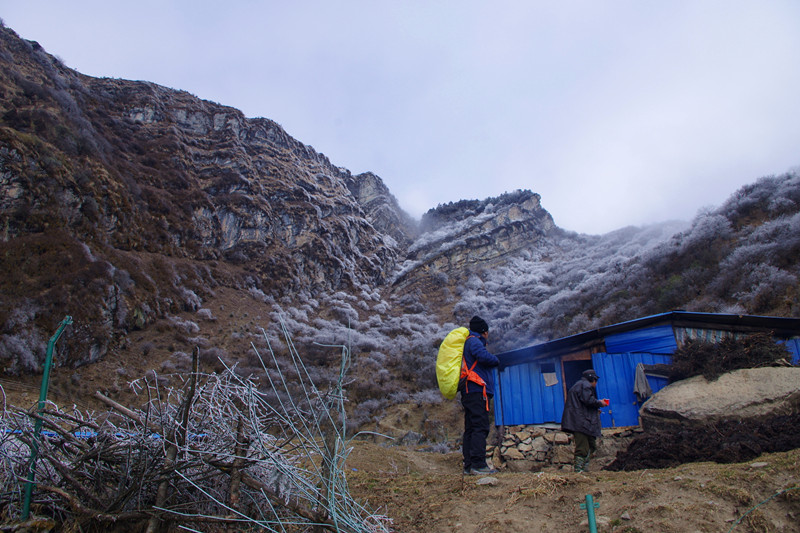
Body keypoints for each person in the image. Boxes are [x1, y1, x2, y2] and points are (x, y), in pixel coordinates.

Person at [459, 316, 499, 475]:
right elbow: (483, 357)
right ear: (484, 331)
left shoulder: (467, 342)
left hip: (469, 391)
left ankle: (469, 465)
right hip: (477, 390)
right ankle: (478, 464)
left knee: (470, 427)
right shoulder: (474, 341)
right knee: (480, 426)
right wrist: (496, 359)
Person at [560, 369, 609, 472]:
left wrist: (595, 410)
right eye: (596, 381)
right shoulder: (585, 385)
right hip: (581, 423)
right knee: (583, 448)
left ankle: (584, 469)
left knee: (591, 445)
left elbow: (583, 405)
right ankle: (578, 472)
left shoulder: (579, 385)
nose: (596, 384)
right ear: (593, 379)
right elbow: (588, 400)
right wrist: (600, 403)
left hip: (581, 421)